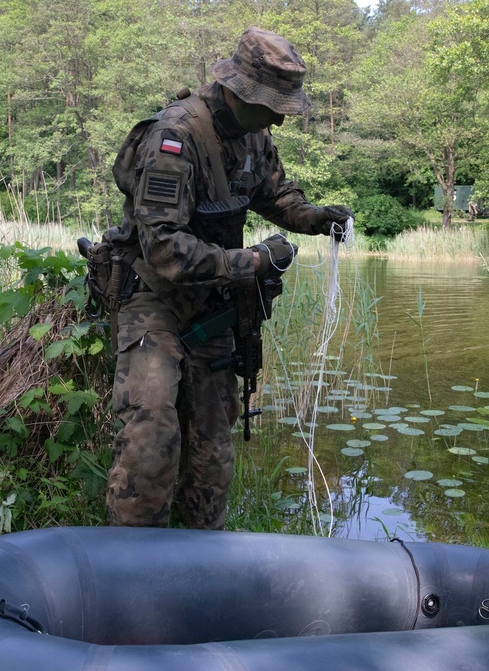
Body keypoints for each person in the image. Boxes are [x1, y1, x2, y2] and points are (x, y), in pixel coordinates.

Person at [104, 27, 352, 530]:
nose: (282, 115)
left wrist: (313, 217)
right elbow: (165, 250)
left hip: (214, 308)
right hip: (154, 300)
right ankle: (130, 572)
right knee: (150, 436)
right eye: (274, 103)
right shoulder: (174, 137)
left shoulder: (255, 138)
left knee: (212, 449)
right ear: (240, 91)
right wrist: (256, 261)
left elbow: (276, 195)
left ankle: (201, 563)